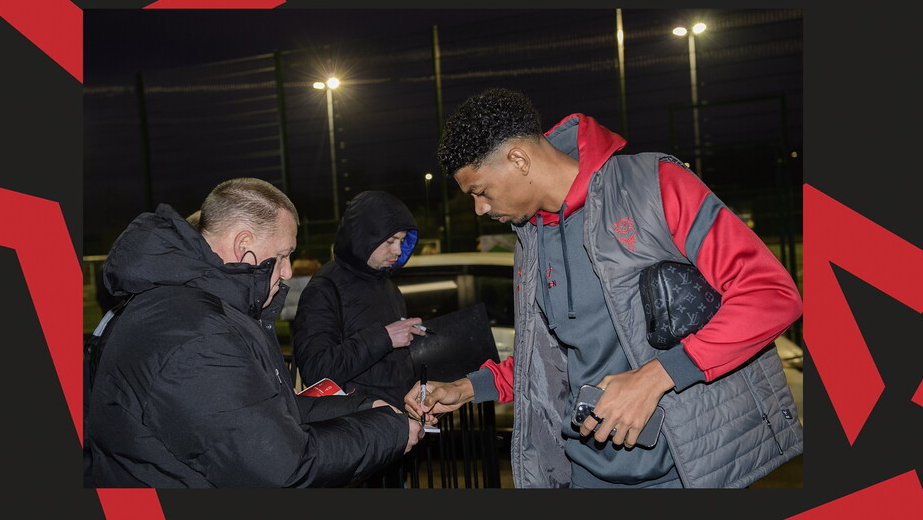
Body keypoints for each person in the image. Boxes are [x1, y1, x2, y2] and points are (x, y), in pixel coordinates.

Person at [404, 88, 804, 489]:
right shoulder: (531, 237)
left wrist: (657, 376)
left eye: (481, 192)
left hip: (679, 471)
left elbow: (771, 294)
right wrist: (468, 387)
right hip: (584, 471)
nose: (480, 209)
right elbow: (555, 356)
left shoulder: (652, 184)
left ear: (519, 159)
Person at [85, 177, 423, 488]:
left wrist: (362, 408)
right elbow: (280, 468)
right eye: (282, 256)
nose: (288, 271)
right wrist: (386, 432)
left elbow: (268, 410)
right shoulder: (195, 332)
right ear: (243, 244)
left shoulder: (200, 309)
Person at [292, 190, 424, 487]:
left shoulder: (389, 287)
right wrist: (385, 337)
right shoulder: (325, 287)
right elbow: (315, 368)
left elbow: (391, 364)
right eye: (390, 241)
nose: (397, 249)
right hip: (351, 438)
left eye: (402, 241)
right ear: (365, 236)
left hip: (393, 432)